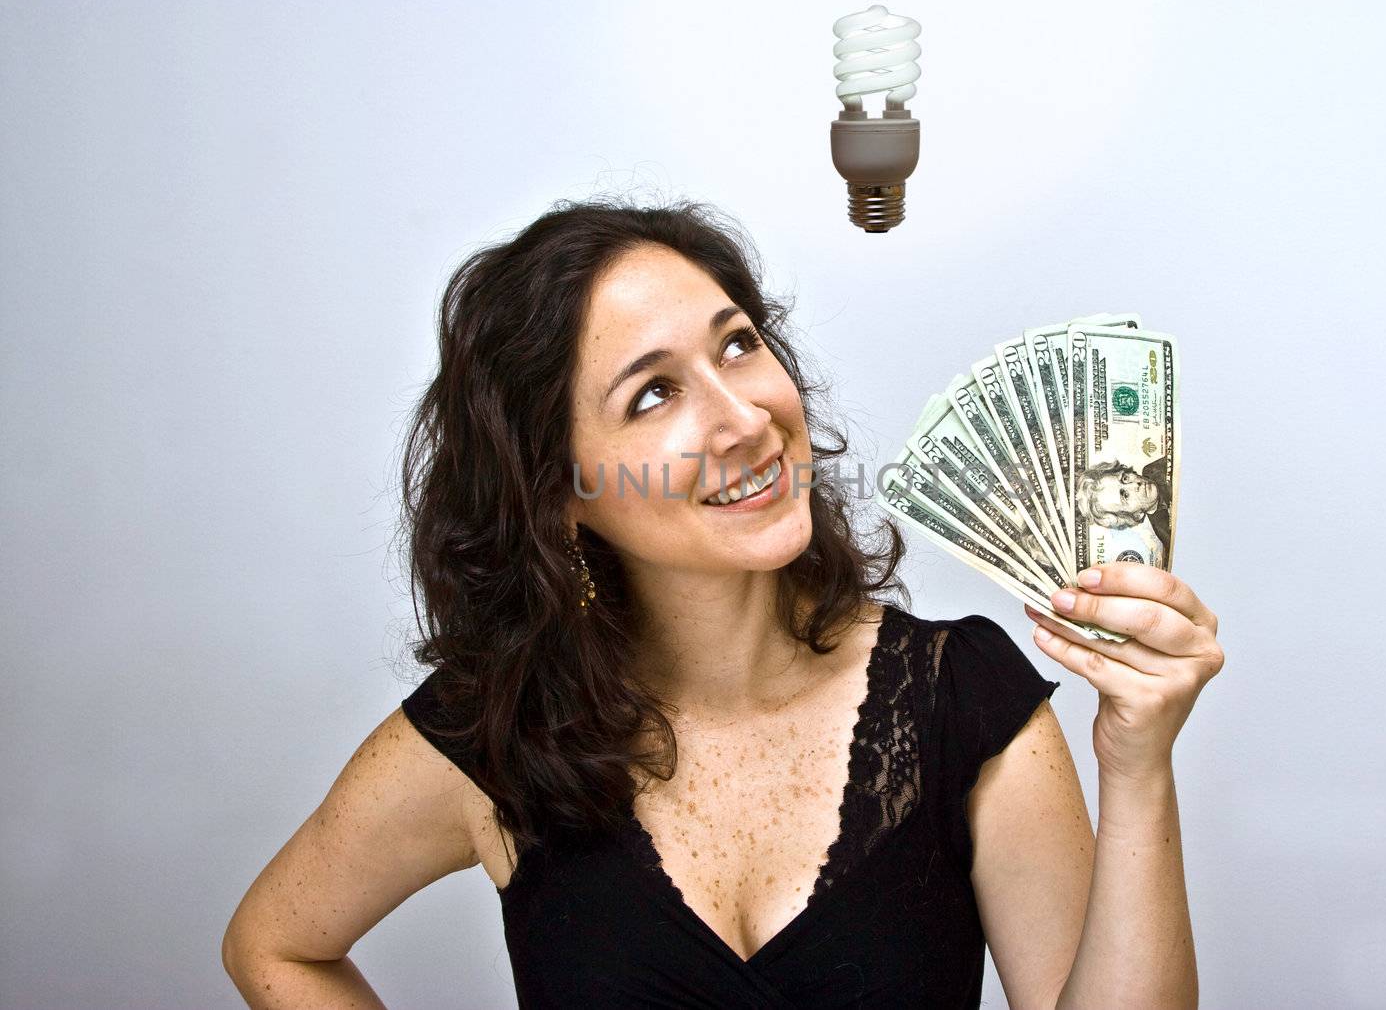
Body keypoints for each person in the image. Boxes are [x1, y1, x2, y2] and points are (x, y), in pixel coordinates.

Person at [220, 198, 1225, 1008]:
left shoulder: (962, 697)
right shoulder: (493, 736)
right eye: (653, 393)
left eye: (738, 344)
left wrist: (1136, 763)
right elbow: (276, 946)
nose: (745, 416)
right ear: (560, 491)